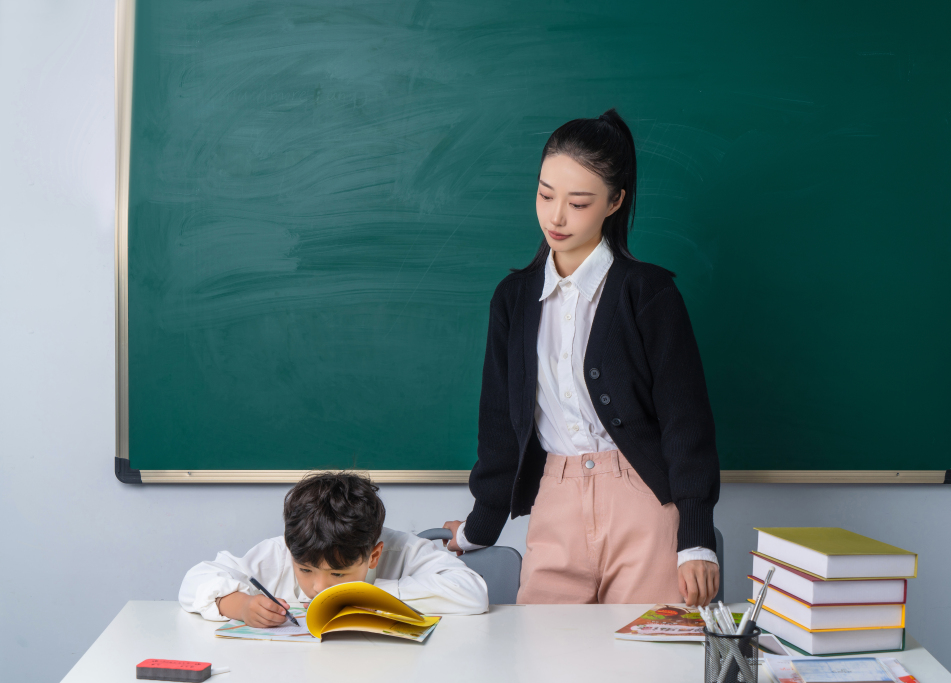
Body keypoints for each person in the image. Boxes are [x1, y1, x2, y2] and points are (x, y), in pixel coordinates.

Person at [443, 109, 720, 606]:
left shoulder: (649, 293)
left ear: (614, 202)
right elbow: (501, 426)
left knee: (647, 664)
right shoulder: (513, 298)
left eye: (579, 202)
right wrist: (479, 527)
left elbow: (686, 419)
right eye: (545, 195)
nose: (556, 217)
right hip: (556, 498)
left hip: (643, 501)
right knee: (544, 662)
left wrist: (696, 535)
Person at [180, 472, 488, 627]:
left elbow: (472, 592)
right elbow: (196, 579)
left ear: (374, 555)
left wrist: (367, 596)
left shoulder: (403, 550)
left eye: (338, 573)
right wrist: (241, 606)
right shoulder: (280, 551)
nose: (319, 588)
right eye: (305, 570)